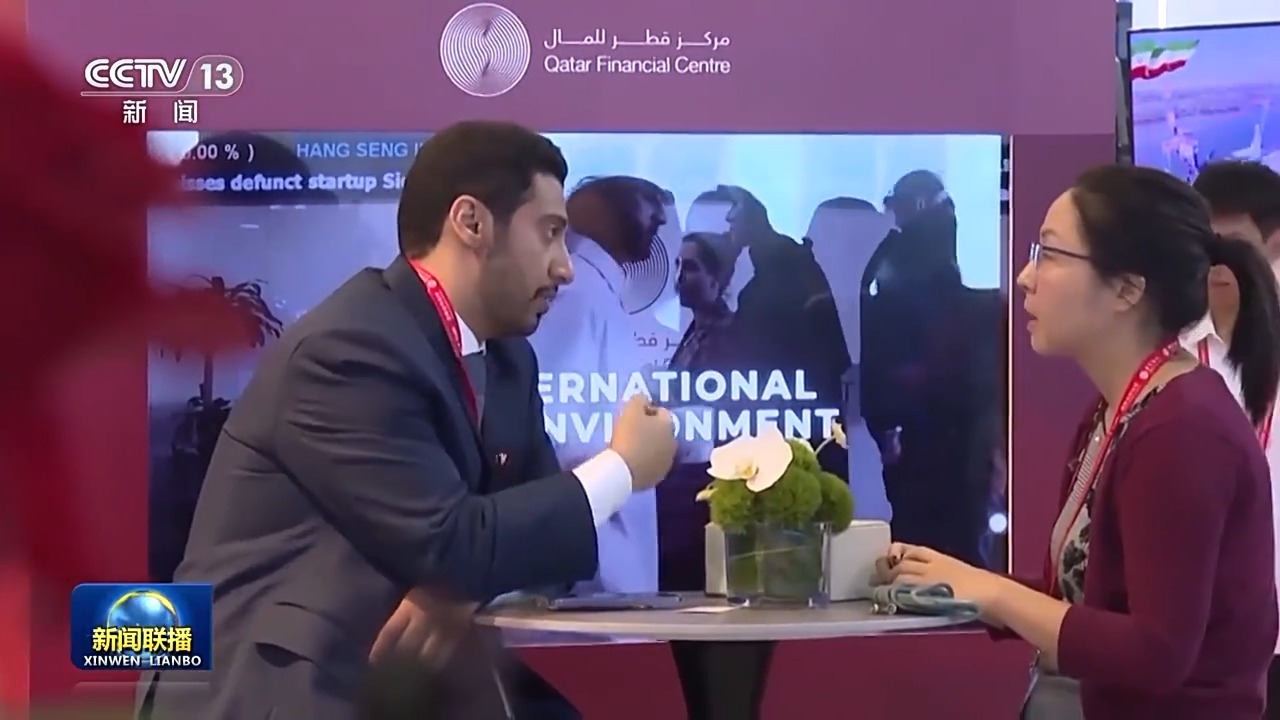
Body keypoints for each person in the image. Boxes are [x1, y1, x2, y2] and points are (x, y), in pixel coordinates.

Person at [138, 121, 679, 720]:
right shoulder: (350, 349)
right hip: (284, 682)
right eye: (550, 234)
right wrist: (623, 467)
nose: (565, 268)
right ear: (471, 222)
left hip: (406, 679)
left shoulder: (508, 359)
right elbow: (455, 542)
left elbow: (539, 543)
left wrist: (464, 584)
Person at [876, 164, 1280, 719]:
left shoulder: (1183, 429)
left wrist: (992, 593)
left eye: (1049, 254)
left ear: (1127, 289)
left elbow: (1157, 652)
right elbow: (1086, 599)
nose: (1025, 277)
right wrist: (955, 581)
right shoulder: (1119, 409)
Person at [528, 174, 668, 594]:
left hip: (609, 560)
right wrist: (639, 453)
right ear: (595, 212)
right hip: (592, 566)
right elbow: (551, 428)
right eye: (644, 204)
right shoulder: (576, 294)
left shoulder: (597, 293)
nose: (660, 220)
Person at [861, 171, 1002, 567]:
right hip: (929, 439)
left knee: (941, 533)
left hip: (940, 439)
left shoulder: (911, 258)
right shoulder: (907, 277)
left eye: (897, 207)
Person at [1186, 159, 1280, 720]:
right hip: (1206, 643)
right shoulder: (1166, 358)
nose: (1219, 262)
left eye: (1236, 245)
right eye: (1208, 245)